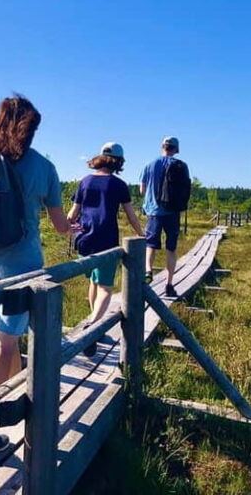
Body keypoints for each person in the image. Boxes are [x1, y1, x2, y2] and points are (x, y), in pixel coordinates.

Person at [0, 95, 71, 459]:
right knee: (4, 344)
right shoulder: (43, 167)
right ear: (32, 128)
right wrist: (74, 226)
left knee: (2, 339)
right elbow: (59, 227)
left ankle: (17, 403)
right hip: (23, 265)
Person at [67, 142, 144, 356]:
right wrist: (140, 234)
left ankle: (94, 323)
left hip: (85, 239)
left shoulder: (85, 181)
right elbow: (130, 214)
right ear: (119, 161)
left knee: (93, 280)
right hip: (106, 239)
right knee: (105, 287)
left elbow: (72, 214)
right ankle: (92, 326)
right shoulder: (119, 185)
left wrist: (70, 229)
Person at [139, 136, 188, 298]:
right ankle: (169, 283)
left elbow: (142, 189)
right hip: (173, 212)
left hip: (154, 211)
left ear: (163, 147)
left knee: (151, 244)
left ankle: (148, 271)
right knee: (171, 248)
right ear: (176, 149)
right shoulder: (182, 166)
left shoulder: (150, 164)